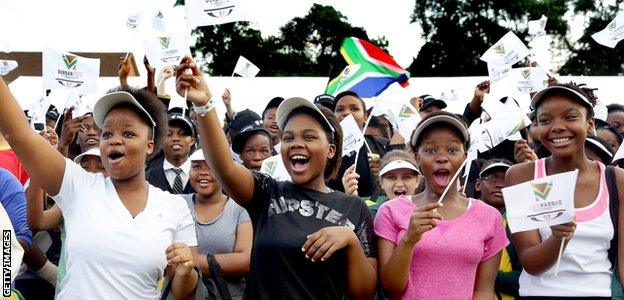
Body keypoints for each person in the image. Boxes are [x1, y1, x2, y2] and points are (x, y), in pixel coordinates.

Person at [175, 55, 377, 299]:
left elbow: (365, 292)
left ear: (331, 150)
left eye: (309, 137)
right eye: (289, 137)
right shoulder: (267, 193)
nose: (296, 144)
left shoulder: (354, 208)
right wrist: (205, 104)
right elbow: (224, 168)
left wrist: (350, 240)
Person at [0, 75, 199, 299]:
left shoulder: (175, 208)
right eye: (107, 133)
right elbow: (20, 134)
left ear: (150, 146)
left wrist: (186, 271)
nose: (114, 140)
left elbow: (184, 293)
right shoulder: (78, 186)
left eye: (128, 133)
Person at [504, 83, 624, 298]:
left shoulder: (617, 180)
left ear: (589, 124)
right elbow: (530, 262)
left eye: (569, 117)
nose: (557, 127)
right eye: (545, 120)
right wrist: (558, 238)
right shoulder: (520, 176)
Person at [375, 111, 508, 299]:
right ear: (416, 156)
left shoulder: (489, 216)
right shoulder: (390, 211)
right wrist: (409, 239)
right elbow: (391, 287)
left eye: (452, 150)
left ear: (465, 156)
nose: (442, 157)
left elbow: (483, 290)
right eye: (430, 150)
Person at [183, 150, 252, 299]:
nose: (203, 173)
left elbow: (244, 261)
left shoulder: (240, 208)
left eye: (211, 167)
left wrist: (189, 262)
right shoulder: (177, 204)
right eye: (196, 167)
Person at [475, 159, 522, 300]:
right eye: (492, 178)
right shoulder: (462, 219)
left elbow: (526, 278)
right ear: (478, 184)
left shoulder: (519, 225)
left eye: (505, 179)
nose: (499, 184)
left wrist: (482, 274)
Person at [331, 91, 388, 198]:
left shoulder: (382, 146)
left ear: (365, 116)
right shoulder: (324, 150)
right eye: (340, 109)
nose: (347, 113)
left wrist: (386, 171)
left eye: (354, 109)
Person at [147, 112, 197, 194]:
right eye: (168, 134)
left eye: (182, 134)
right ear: (161, 141)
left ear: (192, 141)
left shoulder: (205, 177)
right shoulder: (147, 177)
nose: (175, 138)